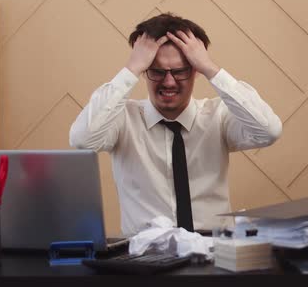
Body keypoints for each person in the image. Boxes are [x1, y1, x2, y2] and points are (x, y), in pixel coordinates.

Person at [69, 13, 282, 236]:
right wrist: (131, 69)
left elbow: (269, 131)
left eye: (180, 71)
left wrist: (210, 68)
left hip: (215, 252)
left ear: (195, 71)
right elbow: (83, 140)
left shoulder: (218, 115)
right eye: (157, 71)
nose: (168, 82)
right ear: (145, 71)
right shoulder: (122, 119)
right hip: (146, 256)